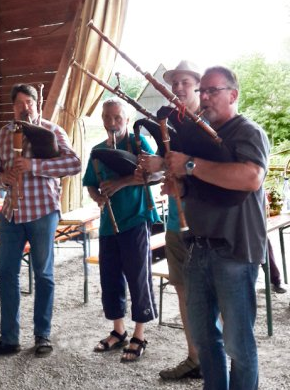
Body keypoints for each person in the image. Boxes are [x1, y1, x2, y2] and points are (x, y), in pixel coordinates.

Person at [164, 66, 266, 390]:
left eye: (212, 91)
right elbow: (200, 183)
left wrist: (190, 165)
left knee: (238, 343)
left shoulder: (248, 132)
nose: (204, 97)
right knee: (205, 339)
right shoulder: (198, 134)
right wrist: (179, 183)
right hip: (197, 248)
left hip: (234, 250)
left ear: (232, 95)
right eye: (202, 91)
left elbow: (251, 177)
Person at [0, 84, 82, 357]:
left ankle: (42, 336)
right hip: (11, 214)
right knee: (6, 273)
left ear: (37, 104)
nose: (24, 108)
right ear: (13, 107)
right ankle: (9, 339)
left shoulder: (51, 130)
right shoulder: (5, 133)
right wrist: (3, 178)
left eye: (29, 102)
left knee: (43, 274)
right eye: (19, 103)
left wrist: (33, 165)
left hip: (42, 212)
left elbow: (74, 164)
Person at [82, 99, 159, 363]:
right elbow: (91, 183)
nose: (112, 122)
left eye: (117, 117)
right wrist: (98, 197)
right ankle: (119, 330)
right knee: (110, 276)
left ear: (126, 119)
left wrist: (121, 183)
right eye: (107, 117)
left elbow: (156, 175)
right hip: (108, 224)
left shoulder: (138, 144)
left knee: (138, 276)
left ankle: (140, 334)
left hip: (136, 217)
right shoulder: (98, 150)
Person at [153, 60, 207, 381]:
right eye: (174, 83)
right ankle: (195, 357)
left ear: (199, 85)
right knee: (183, 290)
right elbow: (170, 164)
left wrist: (180, 171)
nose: (178, 88)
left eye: (185, 82)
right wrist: (158, 165)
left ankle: (221, 361)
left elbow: (213, 169)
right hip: (176, 220)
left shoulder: (212, 122)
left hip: (205, 223)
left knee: (213, 293)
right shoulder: (170, 122)